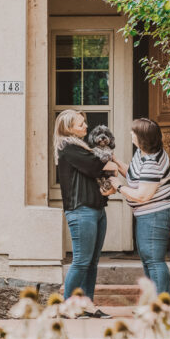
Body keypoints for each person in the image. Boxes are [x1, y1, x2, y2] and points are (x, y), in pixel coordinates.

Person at [54, 109, 117, 318]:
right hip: (82, 210)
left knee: (91, 261)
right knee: (81, 260)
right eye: (81, 124)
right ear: (68, 128)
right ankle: (67, 306)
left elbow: (99, 167)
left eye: (84, 123)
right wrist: (112, 165)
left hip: (96, 209)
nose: (86, 127)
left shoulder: (81, 146)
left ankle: (87, 304)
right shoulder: (68, 147)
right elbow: (94, 167)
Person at [111, 118, 170, 295]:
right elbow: (135, 176)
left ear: (142, 138)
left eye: (133, 132)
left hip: (157, 213)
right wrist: (117, 163)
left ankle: (161, 306)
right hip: (149, 213)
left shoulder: (151, 162)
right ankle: (152, 301)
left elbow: (143, 195)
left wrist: (118, 186)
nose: (130, 134)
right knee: (148, 258)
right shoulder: (142, 153)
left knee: (154, 259)